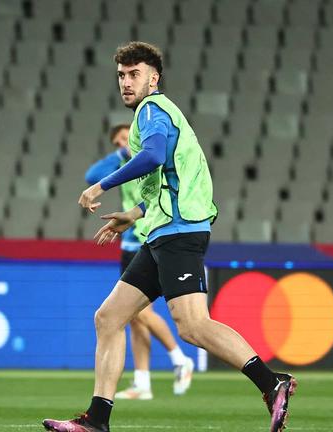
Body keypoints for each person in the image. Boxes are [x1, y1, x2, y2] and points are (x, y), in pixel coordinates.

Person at [42, 41, 296, 432]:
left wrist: (102, 186)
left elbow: (155, 155)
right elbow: (166, 181)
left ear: (153, 78)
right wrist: (132, 214)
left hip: (180, 233)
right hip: (162, 232)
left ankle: (271, 382)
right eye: (122, 76)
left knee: (192, 326)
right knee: (108, 318)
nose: (126, 83)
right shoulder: (157, 112)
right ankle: (97, 420)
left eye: (134, 74)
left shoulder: (152, 110)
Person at [84, 124, 194, 399]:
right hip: (129, 243)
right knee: (131, 318)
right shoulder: (123, 165)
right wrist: (122, 152)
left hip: (148, 236)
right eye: (119, 141)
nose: (124, 143)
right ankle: (142, 382)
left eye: (127, 138)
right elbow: (92, 175)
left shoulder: (150, 161)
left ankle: (180, 359)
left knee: (139, 313)